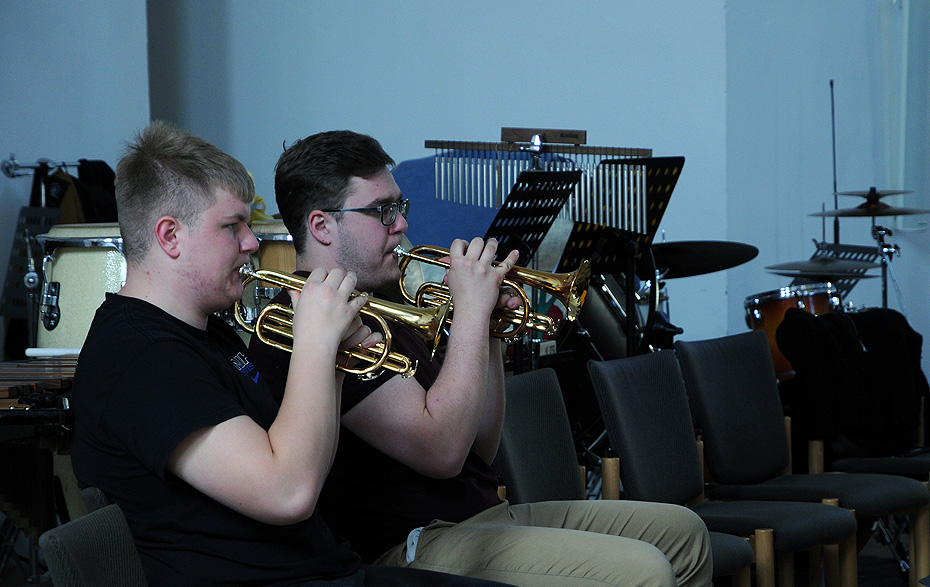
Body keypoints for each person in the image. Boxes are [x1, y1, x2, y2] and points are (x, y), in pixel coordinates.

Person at [249, 130, 714, 587]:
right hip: (416, 545)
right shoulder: (307, 324)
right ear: (321, 225)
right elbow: (444, 451)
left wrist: (491, 332)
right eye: (381, 211)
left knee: (686, 535)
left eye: (399, 206)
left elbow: (481, 449)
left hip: (484, 516)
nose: (402, 224)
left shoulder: (384, 302)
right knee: (646, 569)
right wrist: (469, 313)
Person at [69, 121, 511, 587]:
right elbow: (289, 492)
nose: (252, 243)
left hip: (329, 571)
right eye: (231, 226)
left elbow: (301, 459)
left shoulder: (209, 335)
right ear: (170, 237)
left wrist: (340, 359)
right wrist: (317, 345)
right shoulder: (141, 356)